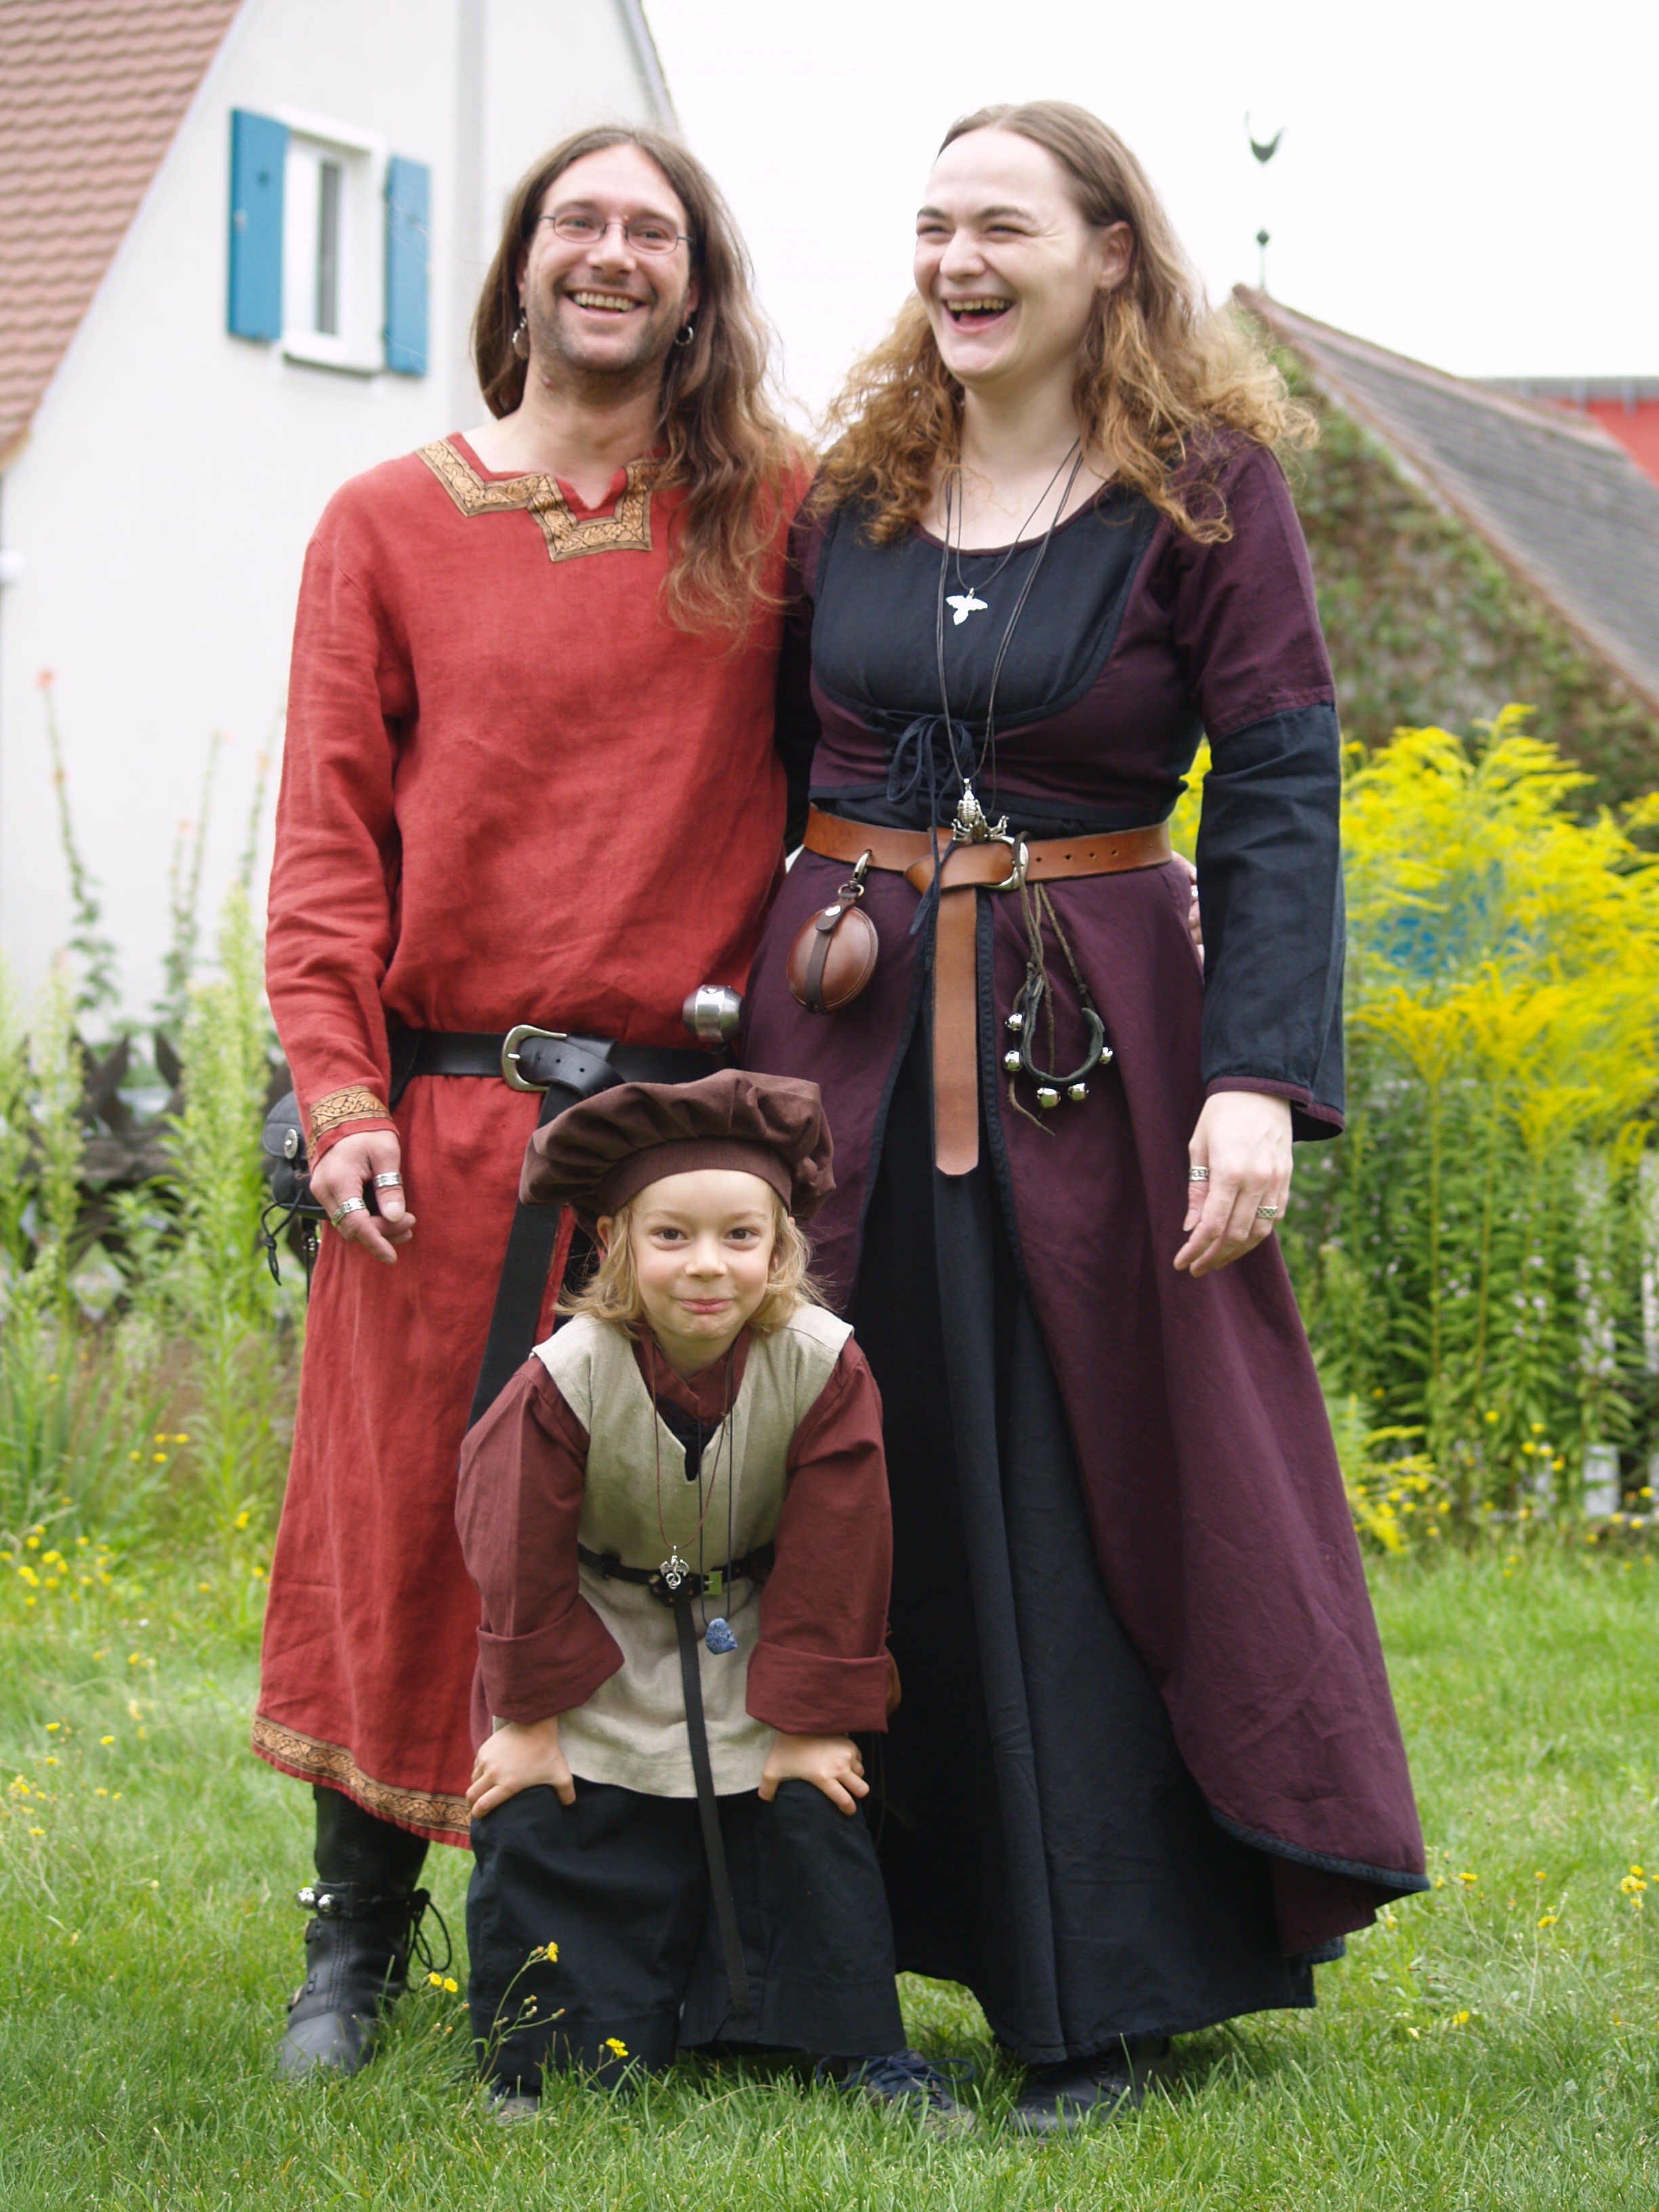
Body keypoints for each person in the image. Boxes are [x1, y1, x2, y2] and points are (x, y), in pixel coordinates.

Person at [743, 101, 1427, 2134]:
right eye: (932, 225)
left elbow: (1283, 783)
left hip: (1097, 1053)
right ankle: (802, 1969)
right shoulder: (856, 489)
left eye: (1003, 226)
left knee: (1087, 1479)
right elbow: (767, 770)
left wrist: (1258, 1078)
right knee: (836, 1464)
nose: (956, 261)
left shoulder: (1206, 493)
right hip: (843, 1047)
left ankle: (1094, 1988)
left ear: (1111, 250)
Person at [258, 125, 813, 2077]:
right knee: (409, 1523)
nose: (611, 253)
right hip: (448, 1129)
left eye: (653, 231)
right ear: (520, 267)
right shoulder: (381, 523)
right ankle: (354, 1940)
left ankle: (656, 1948)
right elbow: (325, 846)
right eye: (580, 221)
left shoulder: (776, 518)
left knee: (678, 1540)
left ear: (695, 283)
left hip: (680, 1152)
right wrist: (340, 1098)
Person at [455, 1069, 967, 2125]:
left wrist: (811, 1722)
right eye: (671, 1236)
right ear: (614, 1243)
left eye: (740, 1236)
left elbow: (841, 1547)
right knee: (548, 1804)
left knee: (815, 1798)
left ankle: (853, 2046)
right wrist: (528, 1719)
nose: (705, 1266)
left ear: (779, 1249)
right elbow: (515, 1545)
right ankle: (548, 2056)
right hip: (595, 1635)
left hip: (756, 1625)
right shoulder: (566, 1374)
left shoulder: (822, 1364)